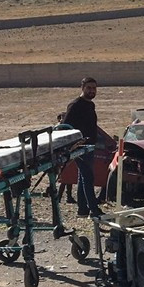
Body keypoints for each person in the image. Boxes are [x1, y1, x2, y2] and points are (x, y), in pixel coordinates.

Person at [63, 77, 101, 218]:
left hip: (89, 147)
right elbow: (66, 127)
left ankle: (82, 209)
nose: (91, 91)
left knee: (83, 177)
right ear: (82, 88)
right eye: (89, 88)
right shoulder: (75, 105)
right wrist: (74, 145)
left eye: (94, 88)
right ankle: (94, 209)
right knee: (88, 177)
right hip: (80, 147)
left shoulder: (90, 105)